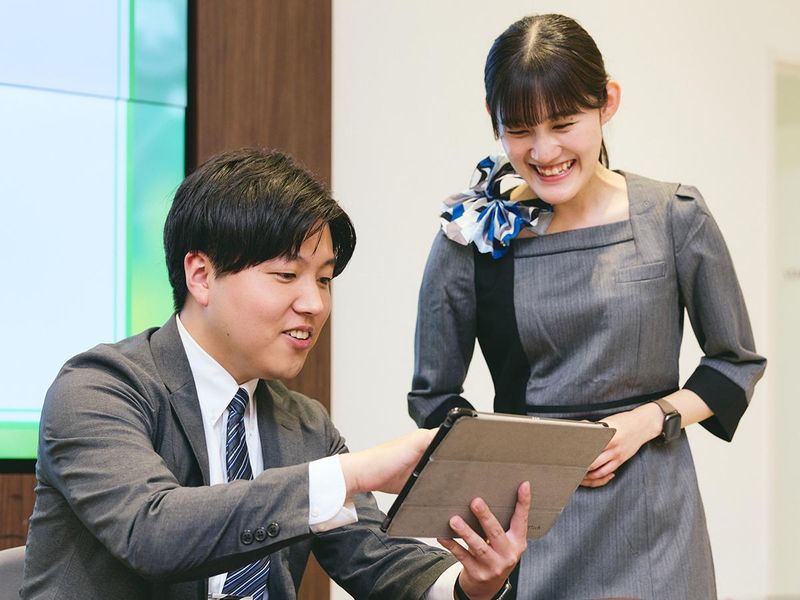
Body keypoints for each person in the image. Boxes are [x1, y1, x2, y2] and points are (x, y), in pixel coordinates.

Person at [21, 148, 530, 600]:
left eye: (324, 280)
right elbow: (152, 531)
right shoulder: (98, 388)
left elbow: (376, 559)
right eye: (286, 275)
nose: (314, 304)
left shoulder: (304, 425)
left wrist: (469, 584)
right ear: (201, 276)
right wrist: (355, 473)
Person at [408, 13, 766, 600]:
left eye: (564, 124)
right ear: (493, 118)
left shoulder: (673, 217)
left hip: (657, 526)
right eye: (520, 129)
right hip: (532, 525)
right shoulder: (472, 239)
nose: (544, 151)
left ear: (607, 103)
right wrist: (506, 479)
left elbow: (734, 364)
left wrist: (645, 422)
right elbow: (433, 398)